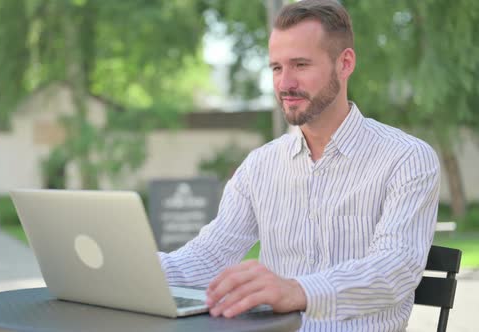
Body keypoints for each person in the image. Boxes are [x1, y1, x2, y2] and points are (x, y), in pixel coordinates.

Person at [158, 0, 440, 331]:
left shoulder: (407, 159)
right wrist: (126, 268)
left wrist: (296, 290)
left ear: (345, 63)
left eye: (300, 65)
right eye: (276, 68)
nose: (285, 83)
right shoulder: (260, 167)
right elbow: (208, 257)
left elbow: (393, 271)